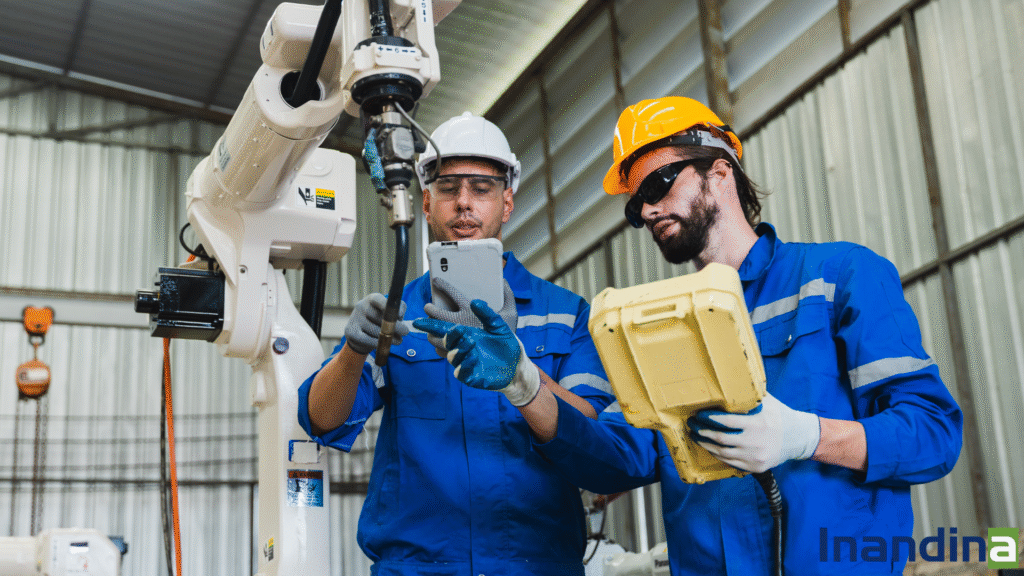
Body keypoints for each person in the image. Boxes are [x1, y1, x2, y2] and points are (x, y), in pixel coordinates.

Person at [417, 97, 964, 575]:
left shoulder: (837, 278)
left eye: (659, 183)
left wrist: (804, 436)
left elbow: (933, 433)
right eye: (637, 204)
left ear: (719, 173)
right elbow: (615, 458)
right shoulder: (657, 325)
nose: (649, 209)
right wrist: (525, 384)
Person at [298, 111, 615, 576]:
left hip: (536, 566)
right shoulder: (400, 312)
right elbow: (321, 420)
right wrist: (353, 351)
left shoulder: (564, 314)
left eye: (482, 189)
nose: (464, 203)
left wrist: (521, 372)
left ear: (507, 203)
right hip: (418, 567)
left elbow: (594, 435)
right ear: (425, 203)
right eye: (448, 188)